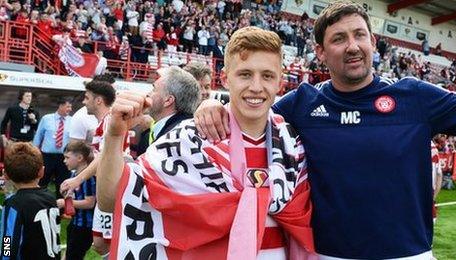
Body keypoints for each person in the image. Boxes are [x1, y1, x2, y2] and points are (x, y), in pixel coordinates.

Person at [193, 1, 456, 258]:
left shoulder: (414, 96)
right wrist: (214, 107)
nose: (352, 46)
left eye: (359, 36)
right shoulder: (303, 104)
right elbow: (249, 117)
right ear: (321, 53)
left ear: (373, 42)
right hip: (328, 254)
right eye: (339, 39)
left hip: (408, 254)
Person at [97, 27, 314, 259]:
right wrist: (114, 136)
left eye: (267, 76)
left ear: (280, 82)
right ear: (224, 78)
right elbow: (111, 199)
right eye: (245, 74)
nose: (256, 86)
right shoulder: (190, 137)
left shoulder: (293, 144)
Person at [60, 80, 117, 259]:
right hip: (105, 190)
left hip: (112, 191)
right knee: (100, 244)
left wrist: (77, 179)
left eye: (87, 97)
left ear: (98, 100)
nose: (84, 102)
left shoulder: (109, 122)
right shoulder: (103, 124)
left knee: (105, 243)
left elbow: (103, 158)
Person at [1, 142, 60, 259]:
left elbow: (8, 240)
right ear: (42, 172)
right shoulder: (50, 197)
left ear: (6, 175)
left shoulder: (13, 204)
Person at [134, 66, 200, 155]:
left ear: (168, 100)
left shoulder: (174, 138)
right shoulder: (183, 129)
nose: (148, 94)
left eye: (154, 89)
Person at [57, 141, 96, 260]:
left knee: (74, 255)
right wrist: (64, 193)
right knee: (70, 252)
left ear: (79, 158)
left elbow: (90, 203)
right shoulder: (73, 174)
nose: (64, 161)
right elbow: (73, 195)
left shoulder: (88, 178)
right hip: (75, 222)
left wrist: (65, 203)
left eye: (67, 158)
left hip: (85, 226)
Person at [33, 98, 73, 198]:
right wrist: (34, 152)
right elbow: (38, 136)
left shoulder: (72, 121)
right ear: (60, 106)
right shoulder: (46, 118)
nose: (70, 109)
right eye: (68, 106)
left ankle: (62, 211)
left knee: (63, 184)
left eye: (71, 107)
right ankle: (39, 204)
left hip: (64, 158)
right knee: (42, 182)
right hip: (47, 157)